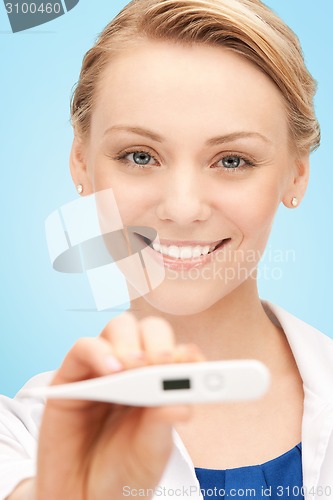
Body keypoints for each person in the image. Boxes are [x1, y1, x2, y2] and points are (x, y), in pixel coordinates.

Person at [1, 0, 333, 498]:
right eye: (139, 156)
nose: (182, 209)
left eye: (232, 160)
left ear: (297, 172)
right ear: (80, 163)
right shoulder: (22, 441)